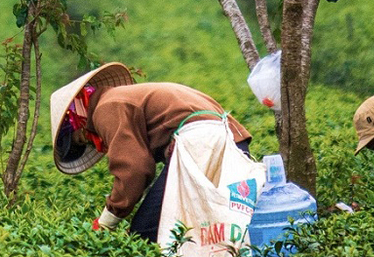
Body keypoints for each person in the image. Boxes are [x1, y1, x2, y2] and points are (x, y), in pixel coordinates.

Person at [50, 64, 253, 238]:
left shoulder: (106, 108)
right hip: (228, 138)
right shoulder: (117, 98)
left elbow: (135, 169)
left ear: (77, 120)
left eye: (81, 137)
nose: (90, 142)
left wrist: (107, 221)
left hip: (203, 143)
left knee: (146, 230)